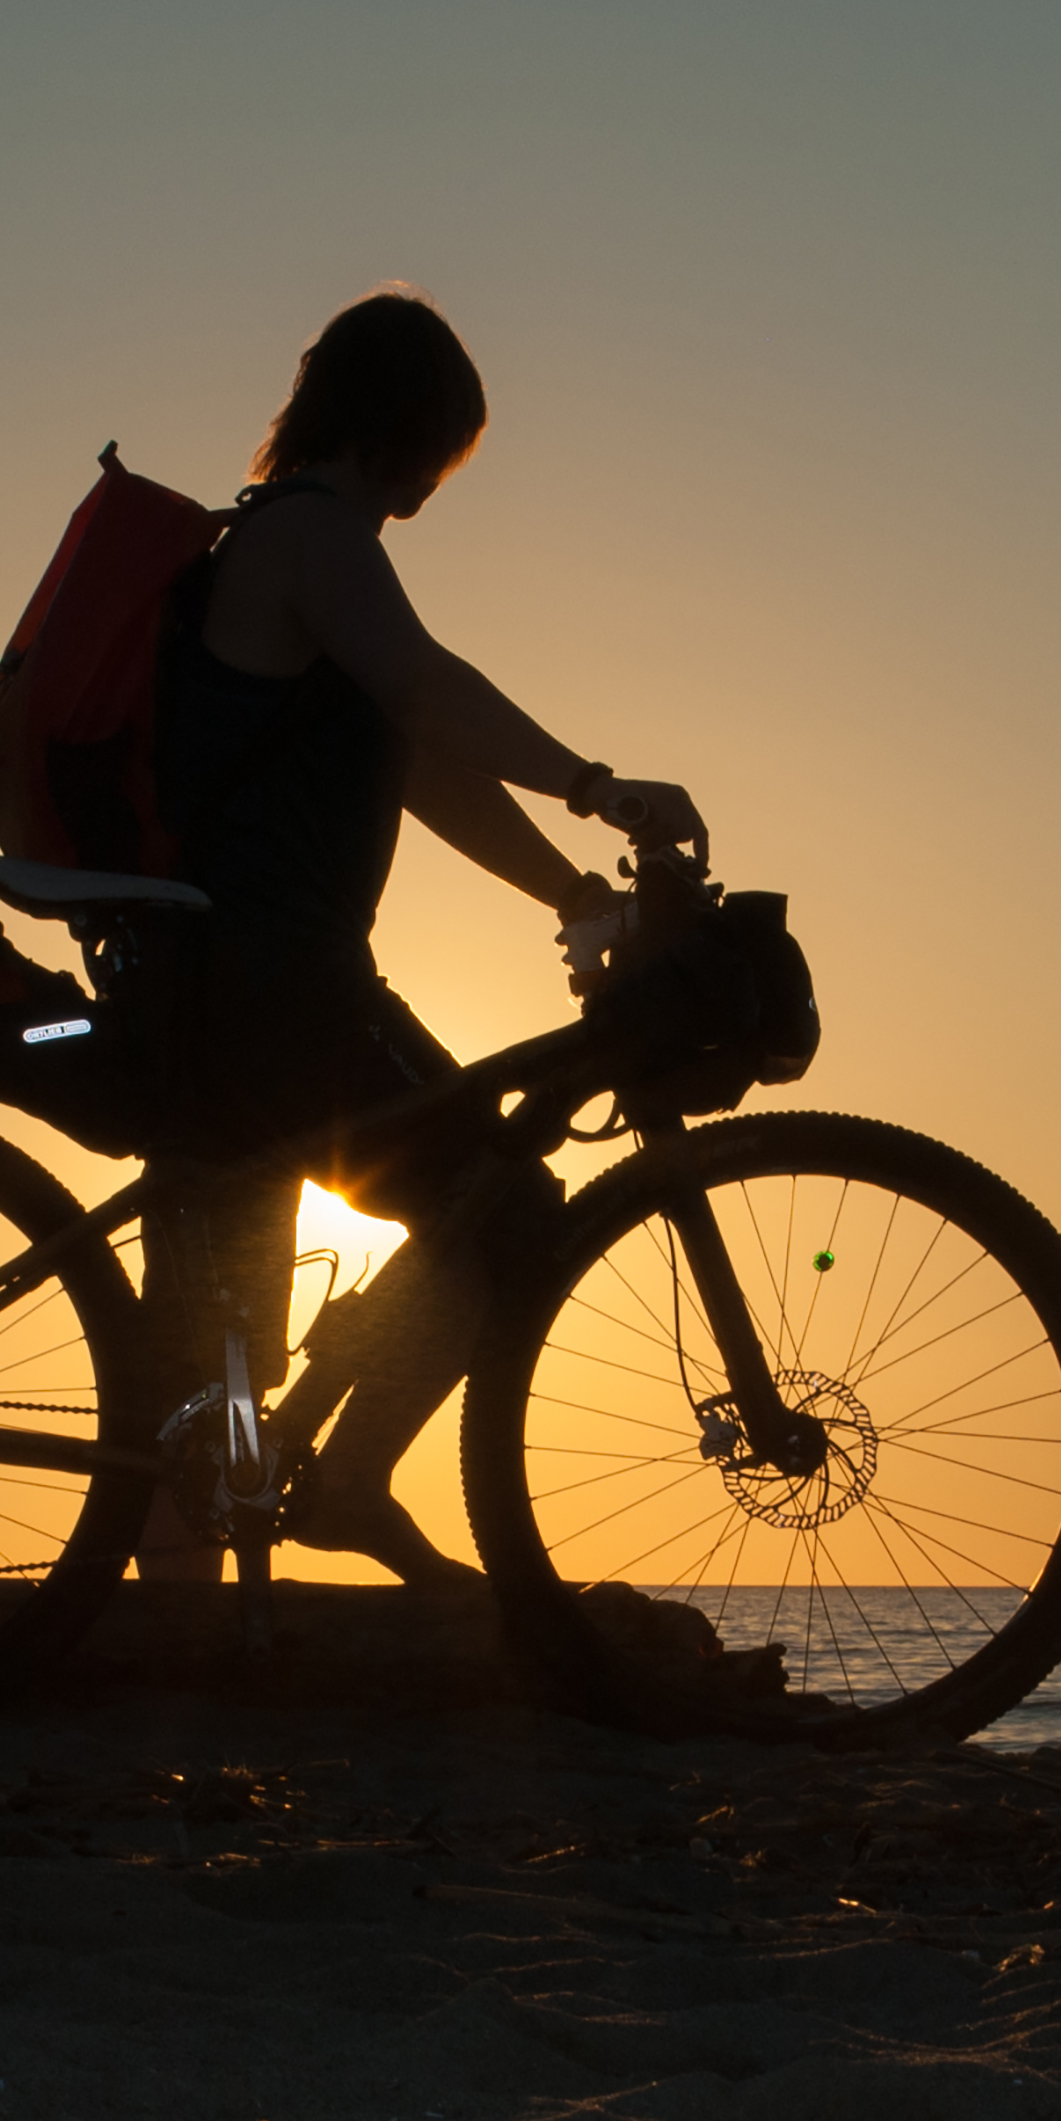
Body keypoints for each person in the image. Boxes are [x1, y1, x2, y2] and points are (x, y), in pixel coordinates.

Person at [141, 288, 701, 1583]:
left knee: (217, 1332)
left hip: (239, 980)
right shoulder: (316, 538)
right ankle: (342, 1483)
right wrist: (596, 784)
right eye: (443, 455)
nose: (436, 491)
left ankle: (175, 1621)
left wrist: (566, 887)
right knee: (506, 1210)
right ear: (406, 426)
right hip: (281, 988)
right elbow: (427, 689)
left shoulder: (288, 550)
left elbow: (419, 760)